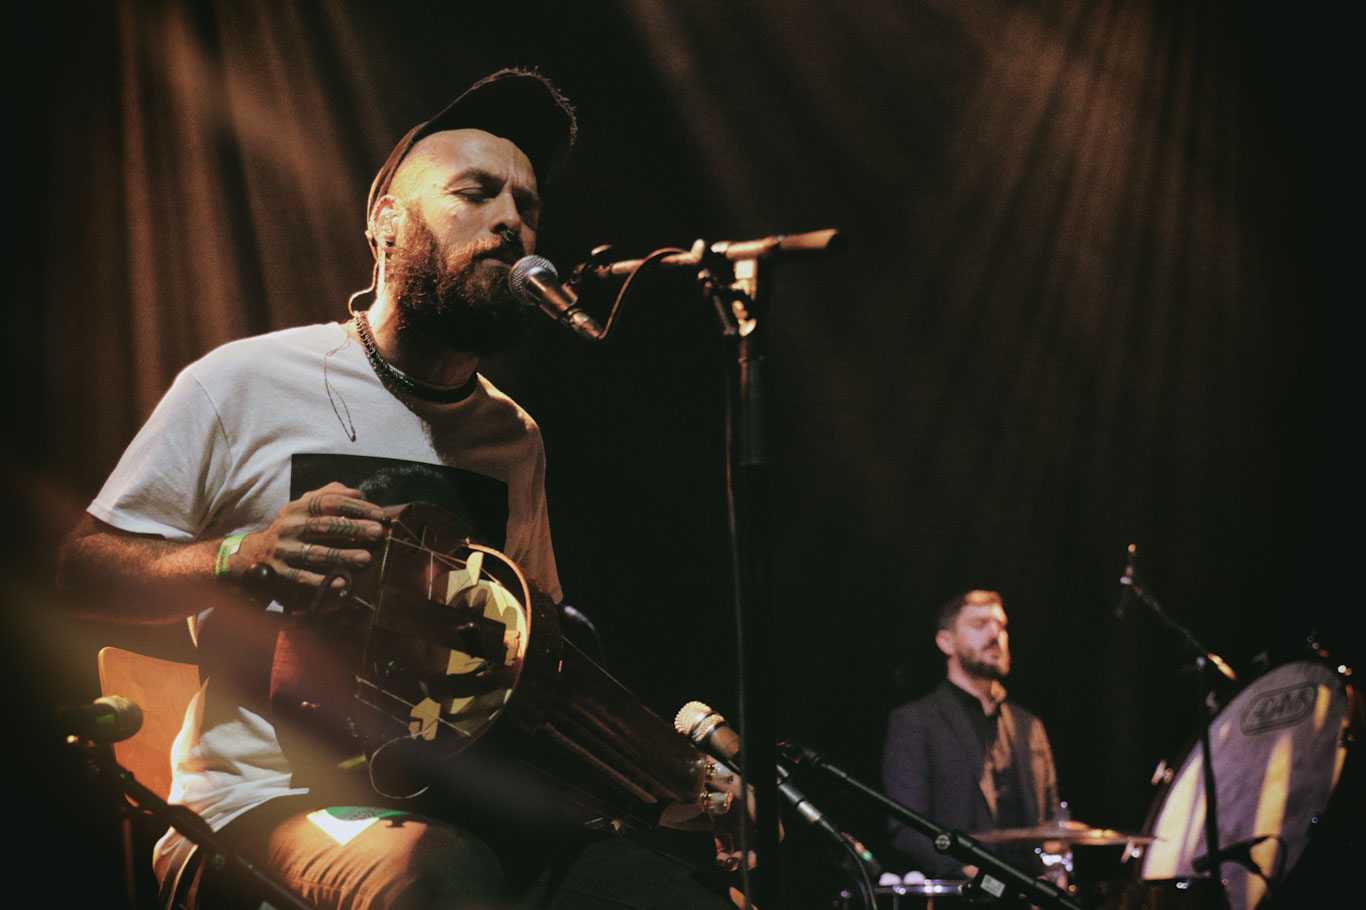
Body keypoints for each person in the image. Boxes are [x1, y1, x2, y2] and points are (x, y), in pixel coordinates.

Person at [58, 69, 738, 909]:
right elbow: (83, 569)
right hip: (265, 808)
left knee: (677, 897)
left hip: (465, 805)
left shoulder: (513, 440)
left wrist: (679, 775)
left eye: (527, 207)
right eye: (477, 194)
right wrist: (243, 557)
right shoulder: (244, 381)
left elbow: (543, 649)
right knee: (438, 881)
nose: (512, 224)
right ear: (386, 224)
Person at [880, 590, 1059, 881]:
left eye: (1001, 626)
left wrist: (1055, 870)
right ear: (945, 642)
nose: (995, 634)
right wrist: (978, 879)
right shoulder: (915, 722)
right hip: (965, 895)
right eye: (980, 625)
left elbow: (1052, 822)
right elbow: (907, 828)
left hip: (1032, 894)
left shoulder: (1029, 725)